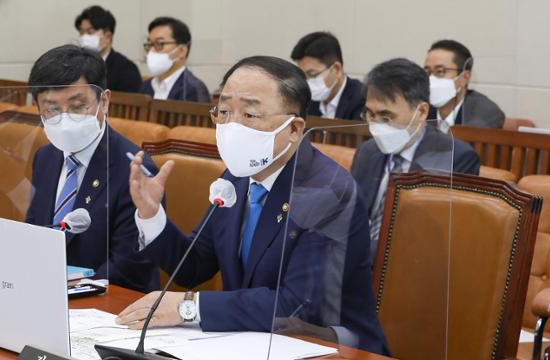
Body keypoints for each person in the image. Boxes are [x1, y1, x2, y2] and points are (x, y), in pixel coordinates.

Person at [117, 56, 388, 354]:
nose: (231, 126)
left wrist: (189, 308)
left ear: (294, 129)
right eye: (223, 111)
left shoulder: (329, 192)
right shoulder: (237, 176)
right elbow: (192, 267)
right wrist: (151, 214)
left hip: (329, 348)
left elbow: (295, 307)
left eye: (249, 114)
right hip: (248, 340)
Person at [25, 45, 159, 292]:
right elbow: (35, 233)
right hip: (46, 295)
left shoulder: (135, 170)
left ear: (104, 101)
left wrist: (70, 290)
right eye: (52, 109)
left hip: (107, 302)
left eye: (78, 106)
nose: (64, 119)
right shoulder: (45, 157)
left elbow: (129, 265)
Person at [351, 58, 480, 260]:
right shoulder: (368, 152)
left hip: (410, 264)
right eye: (370, 114)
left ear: (421, 112)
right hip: (358, 264)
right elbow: (354, 217)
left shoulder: (455, 157)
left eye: (386, 117)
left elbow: (431, 238)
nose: (375, 125)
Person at [424, 39, 505, 131]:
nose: (431, 79)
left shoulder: (485, 113)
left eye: (440, 71)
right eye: (427, 72)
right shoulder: (418, 109)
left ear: (464, 77)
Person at [290, 32, 364, 120]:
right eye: (303, 76)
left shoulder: (361, 99)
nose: (307, 82)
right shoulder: (306, 101)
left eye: (312, 74)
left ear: (337, 69)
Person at [139, 16, 210, 103]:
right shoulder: (144, 87)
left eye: (159, 44)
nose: (151, 51)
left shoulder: (193, 89)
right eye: (149, 45)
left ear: (181, 51)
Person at [75, 5, 142, 93]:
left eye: (90, 32)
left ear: (108, 37)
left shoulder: (127, 69)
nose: (84, 37)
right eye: (82, 32)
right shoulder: (77, 65)